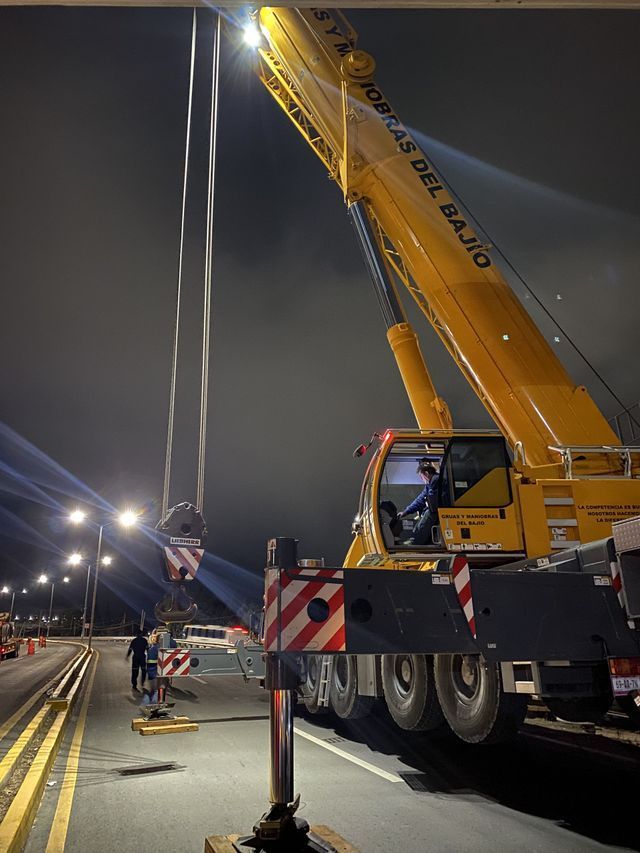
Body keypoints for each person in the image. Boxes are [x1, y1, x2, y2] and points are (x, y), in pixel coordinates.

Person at [397, 459, 440, 546]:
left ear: (426, 474)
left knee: (429, 513)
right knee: (424, 513)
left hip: (440, 511)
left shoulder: (436, 480)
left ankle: (415, 541)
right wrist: (406, 512)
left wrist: (426, 503)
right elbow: (420, 499)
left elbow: (432, 501)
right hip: (438, 510)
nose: (421, 479)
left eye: (421, 477)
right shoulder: (430, 484)